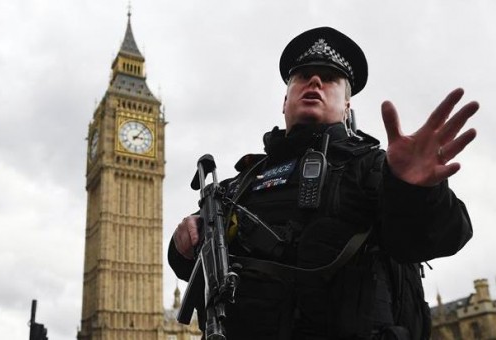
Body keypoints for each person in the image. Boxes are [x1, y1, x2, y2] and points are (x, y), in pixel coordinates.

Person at [168, 26, 478, 340]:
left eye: (329, 79)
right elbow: (196, 269)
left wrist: (415, 190)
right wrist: (184, 243)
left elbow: (440, 237)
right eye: (302, 77)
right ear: (284, 101)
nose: (314, 82)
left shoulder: (373, 167)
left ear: (347, 107)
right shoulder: (243, 183)